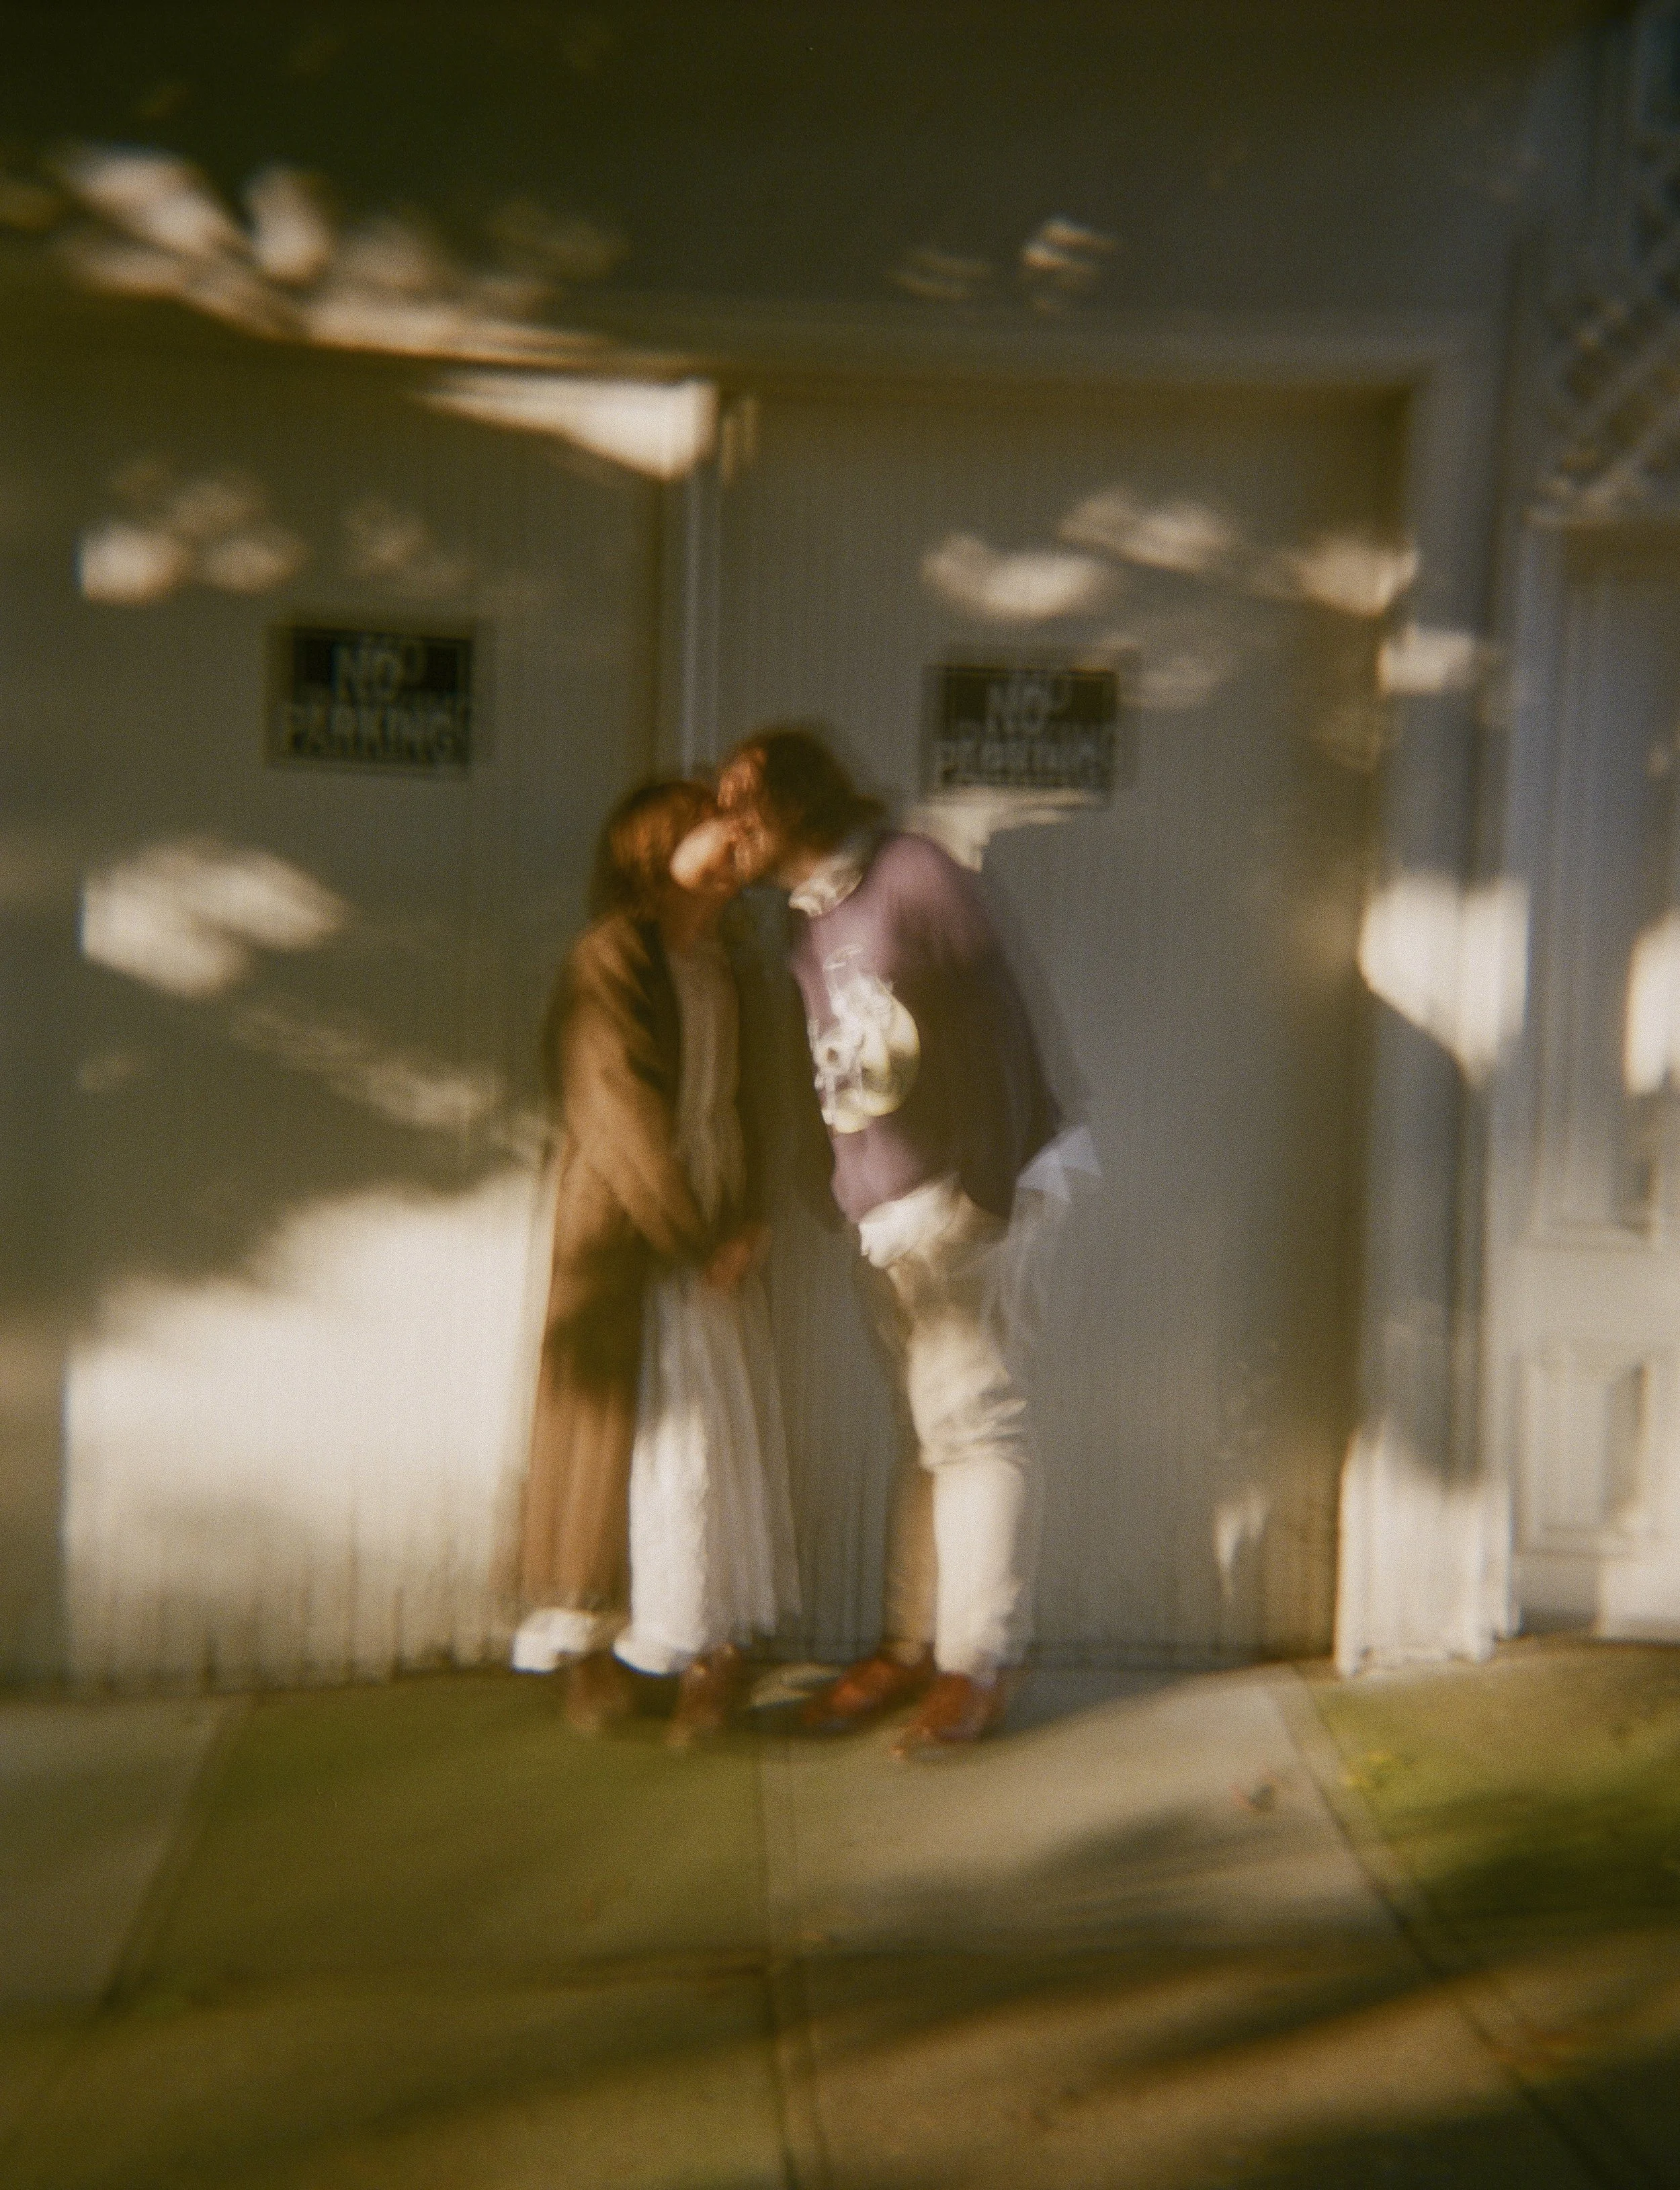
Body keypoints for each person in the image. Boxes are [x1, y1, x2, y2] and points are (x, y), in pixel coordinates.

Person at [715, 724, 1065, 1757]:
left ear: (795, 802)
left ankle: (980, 1663)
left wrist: (986, 1193)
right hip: (888, 1215)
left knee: (978, 1429)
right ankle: (910, 1644)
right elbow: (816, 1062)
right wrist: (838, 1190)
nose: (728, 819)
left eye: (743, 799)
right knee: (928, 1436)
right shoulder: (800, 917)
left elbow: (1001, 1027)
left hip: (968, 1199)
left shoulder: (912, 872)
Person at [513, 779, 800, 1745]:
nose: (730, 843)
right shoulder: (610, 956)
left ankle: (705, 1650)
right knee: (618, 1438)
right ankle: (590, 1645)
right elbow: (616, 1105)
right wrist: (696, 1236)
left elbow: (761, 1100)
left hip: (716, 1222)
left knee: (705, 1442)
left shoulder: (731, 962)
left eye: (733, 831)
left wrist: (751, 1215)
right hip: (634, 1228)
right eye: (704, 830)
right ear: (651, 848)